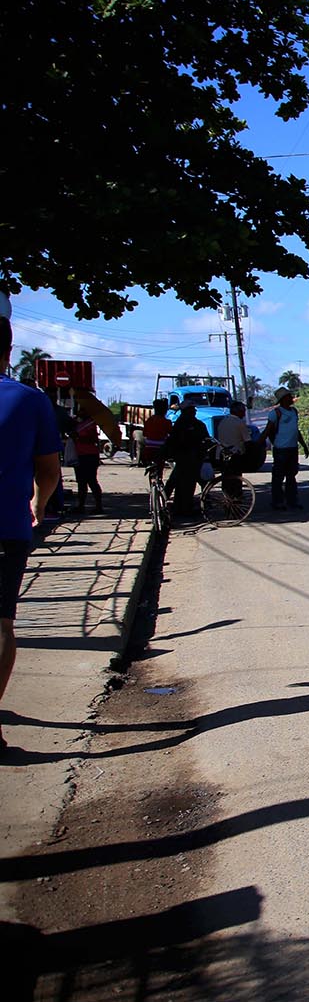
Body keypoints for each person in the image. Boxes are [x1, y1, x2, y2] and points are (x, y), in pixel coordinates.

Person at [0, 317, 63, 750]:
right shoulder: (29, 401)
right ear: (8, 352)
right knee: (1, 623)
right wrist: (38, 505)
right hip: (8, 527)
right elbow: (48, 471)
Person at [264, 387, 309, 510]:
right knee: (278, 477)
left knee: (291, 476)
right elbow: (268, 431)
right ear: (283, 399)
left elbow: (296, 430)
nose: (291, 398)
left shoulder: (294, 411)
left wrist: (304, 445)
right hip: (281, 450)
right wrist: (258, 444)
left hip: (292, 448)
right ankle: (277, 502)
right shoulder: (276, 413)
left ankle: (292, 501)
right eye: (289, 397)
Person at [165, 404, 209, 516]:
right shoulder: (186, 424)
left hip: (189, 459)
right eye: (192, 410)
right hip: (187, 459)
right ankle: (181, 506)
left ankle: (180, 506)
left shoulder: (191, 424)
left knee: (181, 482)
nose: (194, 412)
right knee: (183, 483)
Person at [73, 410, 103, 514]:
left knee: (91, 481)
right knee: (81, 482)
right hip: (80, 455)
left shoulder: (90, 424)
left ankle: (99, 506)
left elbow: (92, 439)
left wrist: (78, 436)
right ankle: (81, 505)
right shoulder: (78, 424)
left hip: (89, 456)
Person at [140, 398, 172, 465]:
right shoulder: (167, 422)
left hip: (149, 448)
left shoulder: (149, 420)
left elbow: (144, 433)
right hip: (161, 449)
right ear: (165, 410)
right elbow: (171, 434)